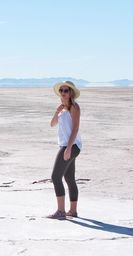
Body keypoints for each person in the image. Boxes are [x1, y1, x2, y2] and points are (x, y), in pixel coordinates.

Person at [47, 81, 82, 220]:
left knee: (55, 177)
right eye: (61, 90)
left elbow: (75, 129)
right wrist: (57, 111)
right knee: (69, 178)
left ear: (71, 92)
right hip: (66, 145)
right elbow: (52, 124)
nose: (63, 92)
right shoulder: (61, 109)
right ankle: (72, 211)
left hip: (71, 146)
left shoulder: (74, 107)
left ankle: (61, 211)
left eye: (66, 90)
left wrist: (68, 148)